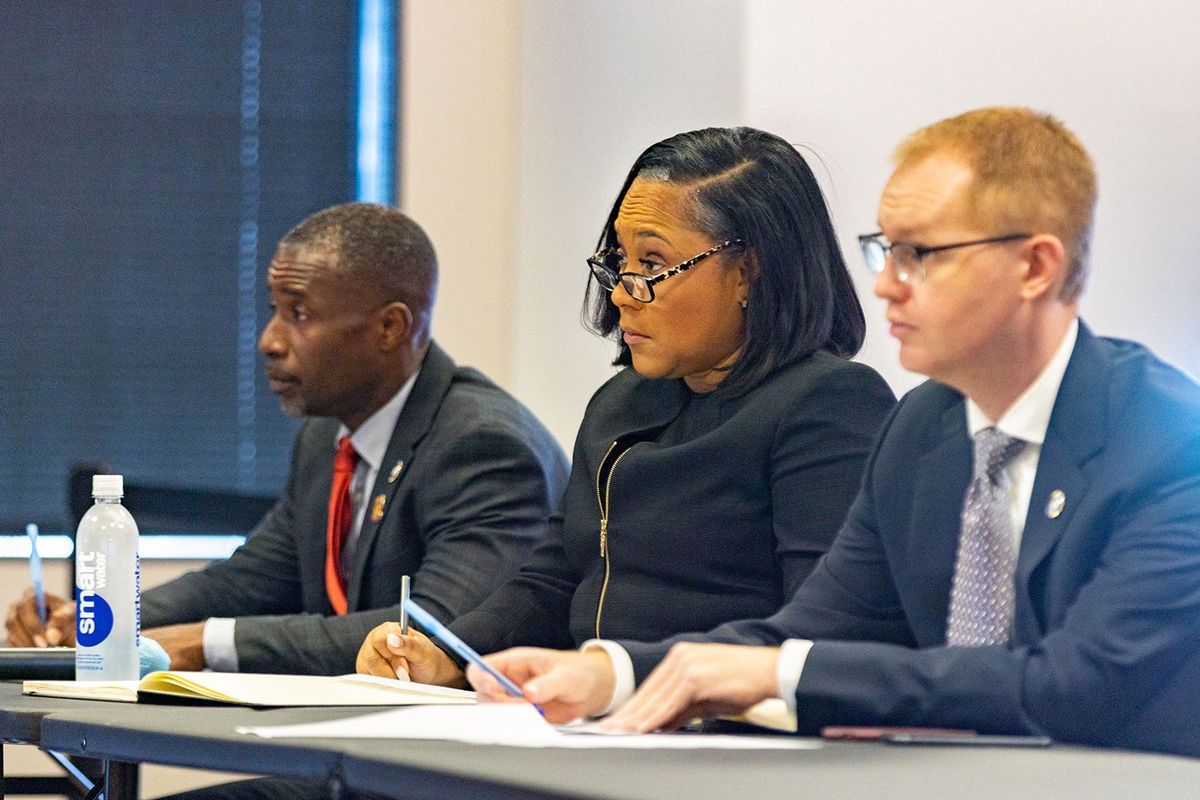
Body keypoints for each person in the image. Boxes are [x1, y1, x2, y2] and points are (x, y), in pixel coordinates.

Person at [473, 107, 1200, 759]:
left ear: (1036, 266)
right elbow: (820, 626)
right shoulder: (923, 428)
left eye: (923, 254)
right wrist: (615, 673)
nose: (885, 284)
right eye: (885, 249)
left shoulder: (1164, 442)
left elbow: (1076, 684)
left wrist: (776, 669)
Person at [357, 127, 896, 692]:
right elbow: (554, 580)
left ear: (747, 273)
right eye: (619, 260)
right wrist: (451, 658)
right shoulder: (622, 403)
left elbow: (819, 631)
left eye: (652, 263)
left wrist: (620, 679)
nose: (619, 292)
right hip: (597, 720)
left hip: (720, 737)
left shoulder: (829, 405)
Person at [6, 203, 569, 676]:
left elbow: (426, 632)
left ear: (390, 327)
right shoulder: (327, 438)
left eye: (299, 314)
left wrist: (203, 643)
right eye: (276, 311)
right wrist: (96, 620)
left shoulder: (486, 447)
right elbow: (244, 582)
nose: (269, 341)